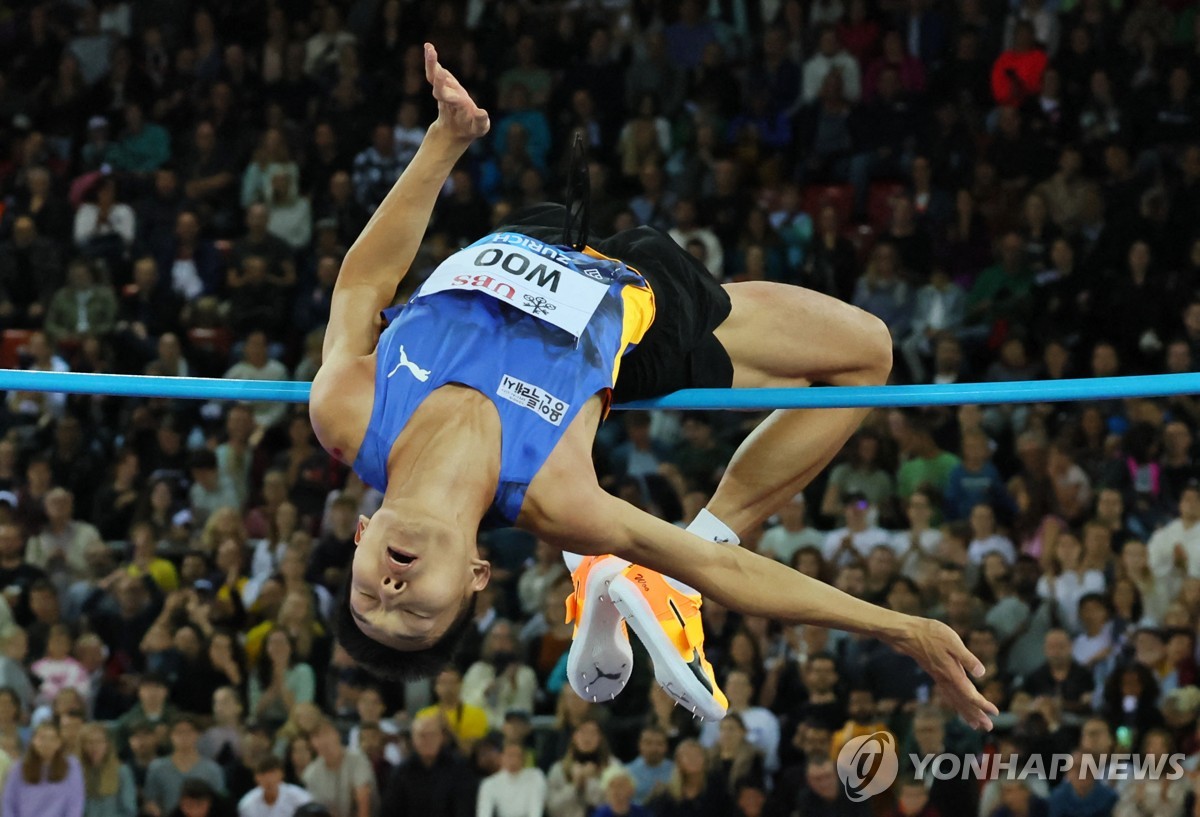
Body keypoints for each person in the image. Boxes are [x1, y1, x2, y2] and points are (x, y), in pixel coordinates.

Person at [309, 43, 995, 731]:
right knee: (866, 354)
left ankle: (647, 588)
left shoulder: (345, 410)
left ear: (362, 535)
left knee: (858, 353)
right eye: (417, 610)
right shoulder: (555, 494)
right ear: (475, 576)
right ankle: (676, 573)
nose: (393, 588)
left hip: (537, 227)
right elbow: (726, 574)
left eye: (369, 594)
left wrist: (444, 141)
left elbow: (365, 282)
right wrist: (901, 628)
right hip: (645, 306)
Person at [1, 722, 85, 817]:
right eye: (42, 738)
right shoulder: (18, 768)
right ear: (33, 740)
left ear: (59, 742)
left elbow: (75, 804)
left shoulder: (72, 766)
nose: (46, 743)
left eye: (52, 739)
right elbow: (8, 803)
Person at [80, 724, 137, 817]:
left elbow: (130, 811)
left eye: (99, 741)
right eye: (89, 742)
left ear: (108, 744)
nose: (94, 746)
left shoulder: (122, 772)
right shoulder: (78, 773)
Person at [237, 755, 311, 817]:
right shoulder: (247, 804)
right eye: (263, 774)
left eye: (272, 773)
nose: (268, 779)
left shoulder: (300, 798)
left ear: (282, 774)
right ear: (256, 777)